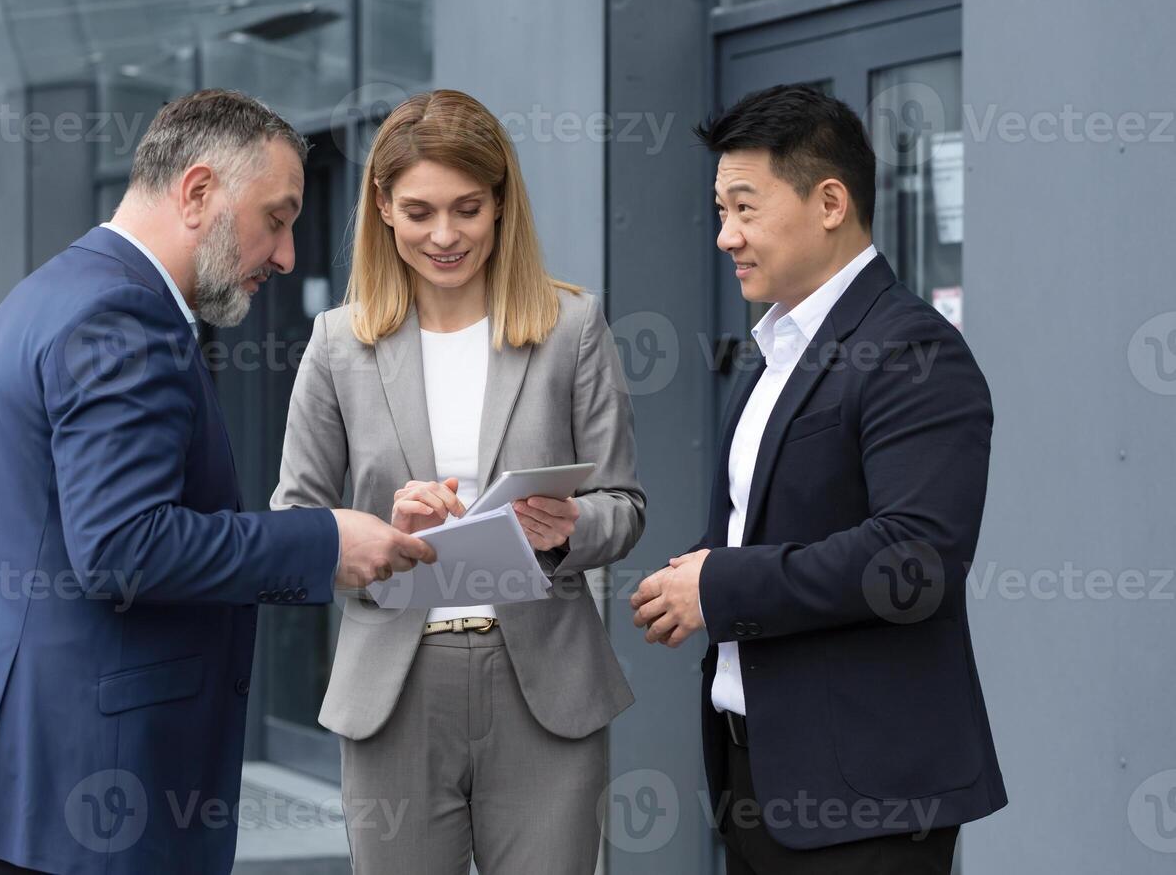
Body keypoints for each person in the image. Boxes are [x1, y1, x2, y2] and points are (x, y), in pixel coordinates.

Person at [0, 89, 434, 875]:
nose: (287, 256)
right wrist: (325, 540)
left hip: (8, 782)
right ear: (199, 191)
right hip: (80, 789)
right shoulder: (122, 317)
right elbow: (125, 548)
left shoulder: (46, 296)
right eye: (277, 217)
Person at [630, 84, 1006, 874]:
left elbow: (914, 562)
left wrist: (722, 585)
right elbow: (771, 523)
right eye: (719, 211)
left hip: (866, 796)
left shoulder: (912, 350)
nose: (726, 236)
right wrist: (691, 576)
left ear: (830, 201)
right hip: (758, 776)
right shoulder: (775, 347)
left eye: (745, 208)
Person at [271, 88, 646, 873]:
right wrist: (382, 525)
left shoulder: (571, 328)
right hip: (395, 689)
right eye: (418, 212)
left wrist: (570, 527)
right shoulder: (338, 345)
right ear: (381, 205)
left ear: (502, 203)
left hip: (543, 684)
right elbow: (296, 520)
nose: (445, 236)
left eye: (468, 209)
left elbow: (624, 506)